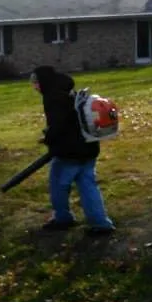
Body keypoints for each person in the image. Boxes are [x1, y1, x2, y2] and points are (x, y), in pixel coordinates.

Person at [31, 65, 116, 236]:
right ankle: (101, 223)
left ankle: (63, 218)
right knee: (88, 185)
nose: (34, 86)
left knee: (58, 185)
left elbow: (58, 125)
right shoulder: (70, 92)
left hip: (68, 153)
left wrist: (48, 138)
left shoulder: (53, 98)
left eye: (35, 82)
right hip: (88, 147)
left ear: (43, 81)